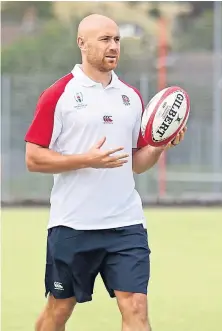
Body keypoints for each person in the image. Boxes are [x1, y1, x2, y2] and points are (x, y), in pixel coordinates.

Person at [25, 14, 186, 331]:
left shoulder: (131, 97)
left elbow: (137, 162)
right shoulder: (59, 95)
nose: (113, 47)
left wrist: (160, 145)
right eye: (105, 40)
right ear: (81, 44)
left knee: (136, 307)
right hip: (73, 224)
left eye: (116, 40)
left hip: (125, 224)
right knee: (59, 309)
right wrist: (85, 159)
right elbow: (33, 158)